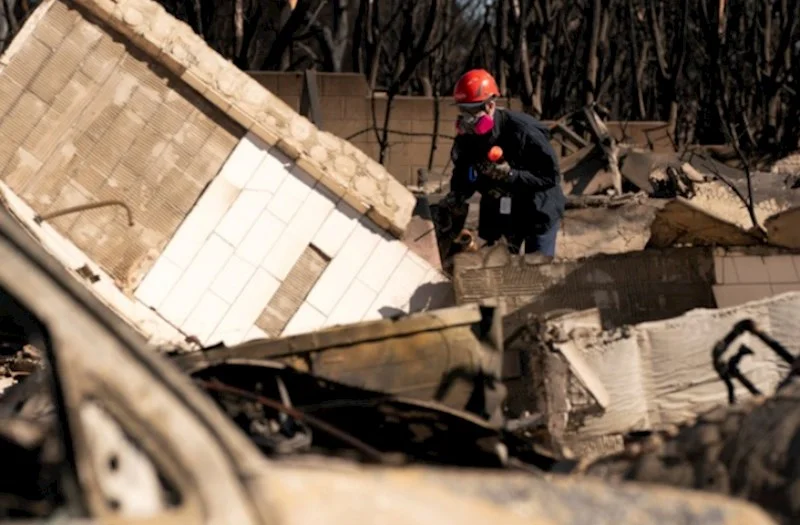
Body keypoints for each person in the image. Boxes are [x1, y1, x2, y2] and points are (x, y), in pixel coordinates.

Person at [441, 69, 565, 256]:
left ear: (490, 105)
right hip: (502, 209)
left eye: (473, 110)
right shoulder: (467, 137)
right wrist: (458, 194)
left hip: (537, 208)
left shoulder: (524, 131)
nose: (467, 118)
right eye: (463, 109)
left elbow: (550, 176)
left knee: (537, 270)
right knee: (498, 267)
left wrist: (511, 174)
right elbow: (464, 170)